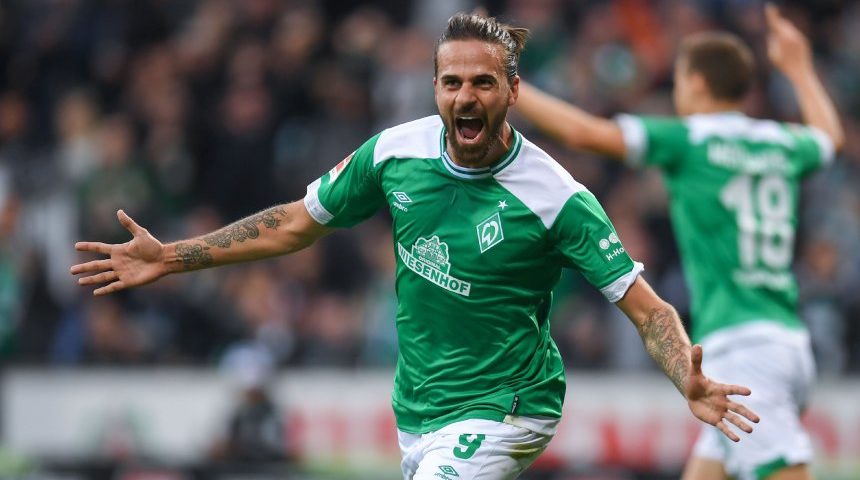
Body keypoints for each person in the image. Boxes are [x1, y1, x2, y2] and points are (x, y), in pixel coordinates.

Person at [72, 13, 758, 480]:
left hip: (509, 406)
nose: (466, 96)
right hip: (419, 409)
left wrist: (685, 376)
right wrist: (173, 257)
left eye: (483, 82)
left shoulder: (556, 197)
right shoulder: (395, 154)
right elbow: (294, 225)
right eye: (452, 82)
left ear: (513, 90)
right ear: (435, 88)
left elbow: (646, 308)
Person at [514, 5, 842, 480]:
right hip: (785, 339)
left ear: (699, 83)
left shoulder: (690, 140)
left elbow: (582, 132)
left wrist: (511, 87)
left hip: (744, 349)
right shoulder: (780, 142)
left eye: (681, 80)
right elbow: (829, 138)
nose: (677, 91)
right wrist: (799, 66)